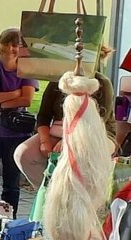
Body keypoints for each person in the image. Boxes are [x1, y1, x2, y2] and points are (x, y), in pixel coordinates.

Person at [16, 61, 114, 189]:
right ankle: (47, 192)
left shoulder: (102, 83)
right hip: (59, 131)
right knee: (23, 153)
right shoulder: (58, 81)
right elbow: (43, 116)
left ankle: (83, 197)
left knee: (78, 156)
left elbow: (97, 122)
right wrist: (44, 141)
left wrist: (69, 142)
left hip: (97, 134)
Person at [0, 29, 38, 214]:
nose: (10, 48)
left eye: (15, 44)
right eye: (6, 43)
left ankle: (10, 216)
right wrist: (16, 93)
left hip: (17, 134)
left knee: (11, 182)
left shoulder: (27, 69)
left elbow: (27, 100)